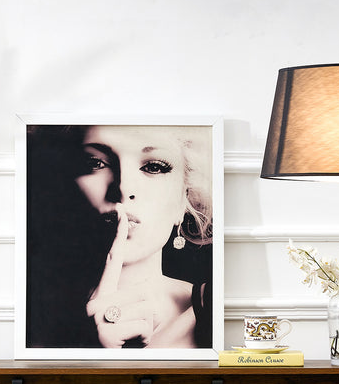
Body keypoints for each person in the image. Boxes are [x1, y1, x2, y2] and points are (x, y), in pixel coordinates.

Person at [25, 124, 213, 350]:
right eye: (95, 163)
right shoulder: (28, 318)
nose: (123, 188)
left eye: (154, 167)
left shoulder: (209, 312)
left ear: (185, 199)